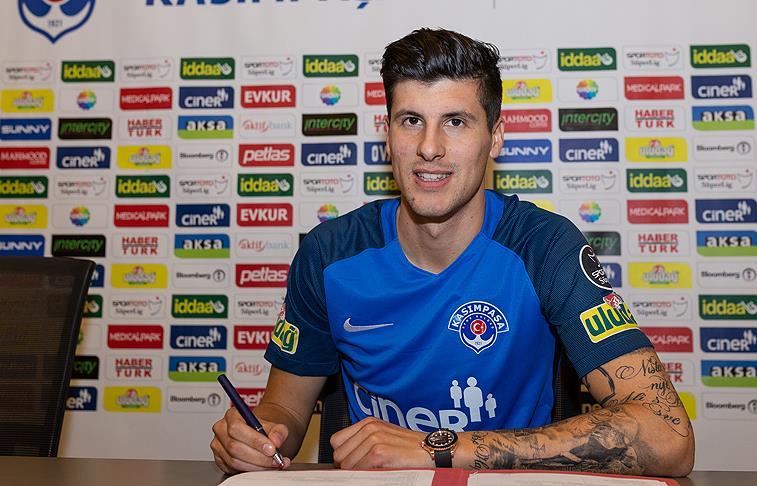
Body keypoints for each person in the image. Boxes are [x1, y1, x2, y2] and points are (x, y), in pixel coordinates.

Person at [211, 28, 695, 476]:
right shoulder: (329, 253)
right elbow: (286, 409)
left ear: (495, 136)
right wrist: (259, 436)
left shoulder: (544, 247)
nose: (429, 147)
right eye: (411, 121)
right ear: (388, 133)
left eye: (456, 122)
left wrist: (438, 447)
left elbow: (669, 437)